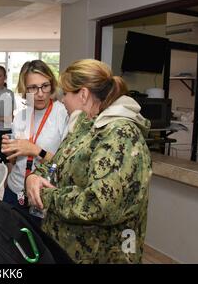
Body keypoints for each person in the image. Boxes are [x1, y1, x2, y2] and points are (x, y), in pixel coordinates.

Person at [25, 59, 152, 264]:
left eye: (66, 93)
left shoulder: (121, 135)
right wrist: (34, 177)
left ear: (83, 94)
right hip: (67, 250)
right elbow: (57, 162)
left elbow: (98, 205)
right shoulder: (85, 123)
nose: (63, 100)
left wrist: (44, 195)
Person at [1, 60, 69, 221]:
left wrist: (35, 150)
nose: (39, 93)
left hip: (42, 196)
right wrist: (11, 153)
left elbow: (67, 165)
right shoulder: (20, 116)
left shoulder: (63, 114)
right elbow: (15, 161)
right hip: (14, 191)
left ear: (52, 85)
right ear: (25, 89)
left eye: (44, 86)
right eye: (33, 87)